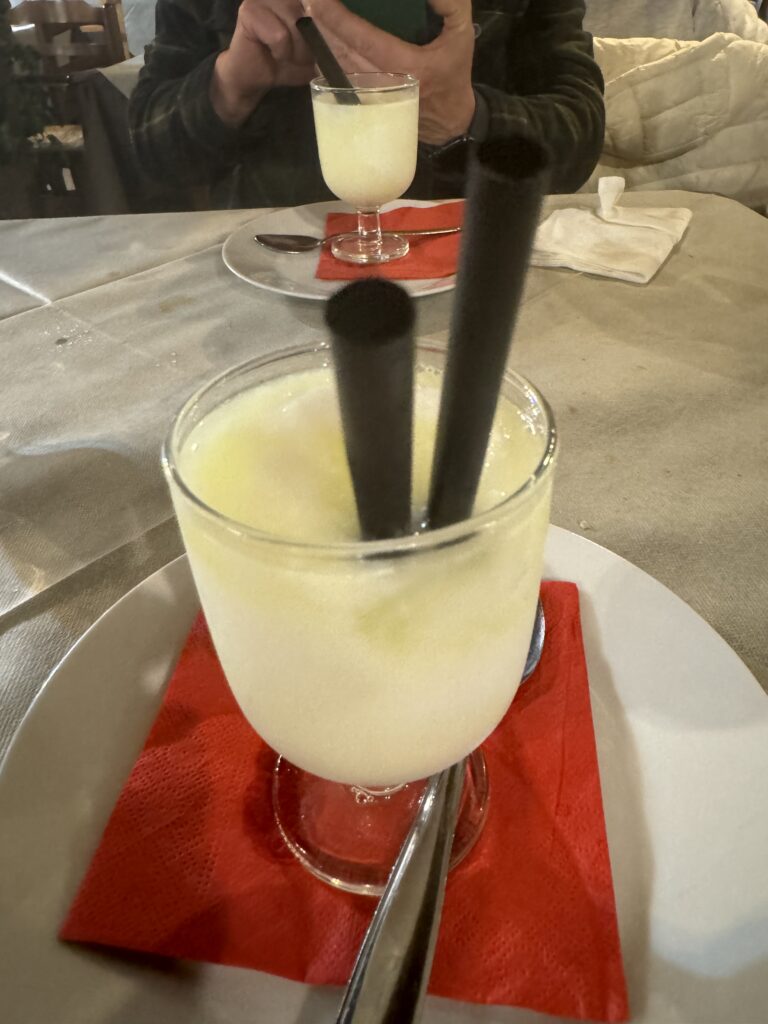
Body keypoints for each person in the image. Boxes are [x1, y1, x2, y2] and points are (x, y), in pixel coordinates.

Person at [129, 0, 605, 208]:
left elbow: (580, 139)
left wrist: (462, 117)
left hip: (470, 268)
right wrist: (233, 83)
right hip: (276, 267)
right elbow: (151, 151)